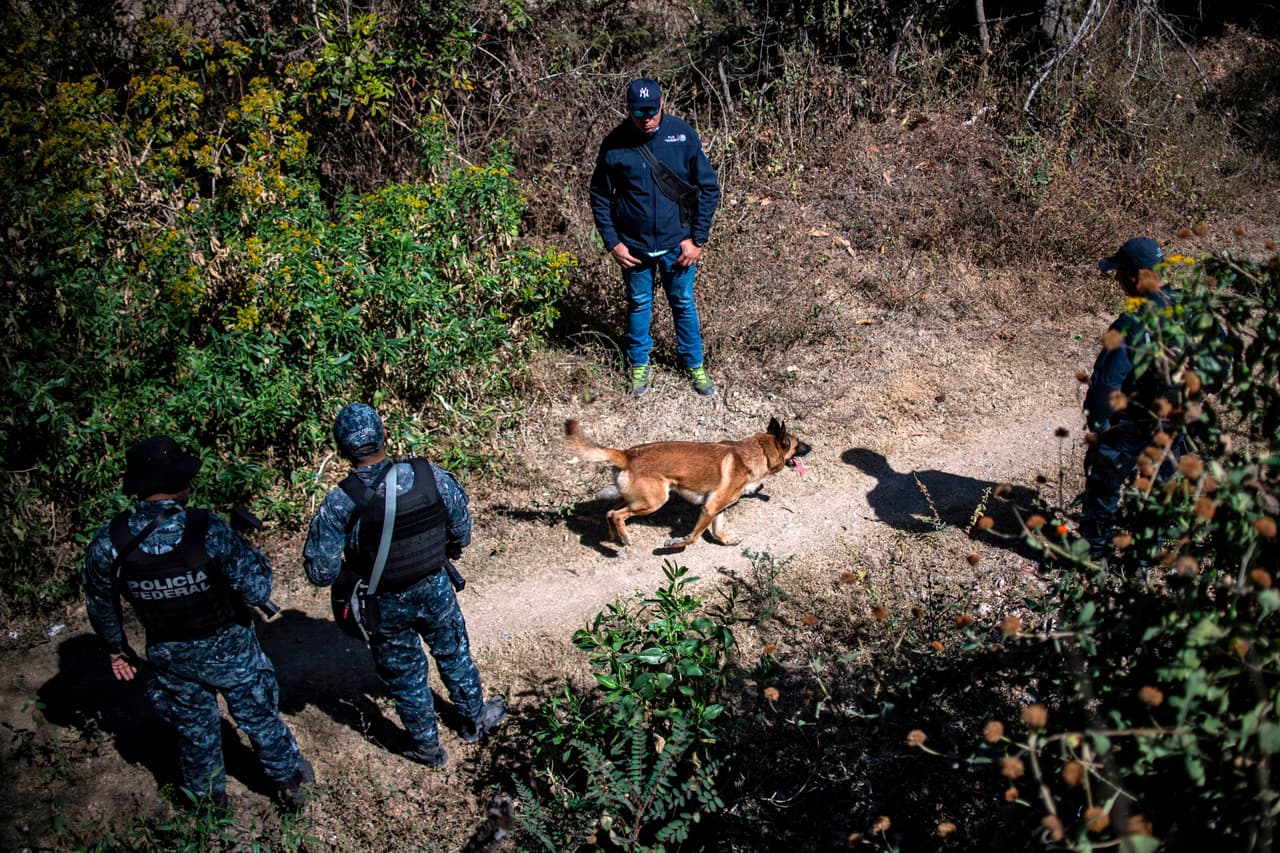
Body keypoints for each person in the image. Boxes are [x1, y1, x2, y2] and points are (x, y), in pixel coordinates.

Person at [81, 435, 313, 810]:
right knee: (260, 718)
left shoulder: (110, 542)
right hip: (232, 651)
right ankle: (288, 782)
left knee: (194, 731)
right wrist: (250, 550)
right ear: (180, 482)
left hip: (170, 656)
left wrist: (115, 647)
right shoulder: (209, 528)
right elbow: (256, 589)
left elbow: (101, 603)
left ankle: (209, 804)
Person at [303, 403, 505, 768]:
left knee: (406, 674)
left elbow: (320, 572)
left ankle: (427, 748)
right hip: (434, 587)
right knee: (454, 654)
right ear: (385, 436)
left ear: (342, 449)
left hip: (382, 602)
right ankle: (475, 719)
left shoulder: (339, 502)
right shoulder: (430, 476)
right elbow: (462, 531)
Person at [589, 77, 722, 398]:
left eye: (651, 109)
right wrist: (613, 243)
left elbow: (708, 188)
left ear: (662, 103)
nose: (646, 117)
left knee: (683, 303)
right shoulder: (615, 143)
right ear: (628, 110)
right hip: (633, 247)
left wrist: (697, 240)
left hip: (678, 244)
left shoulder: (683, 135)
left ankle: (694, 365)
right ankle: (638, 363)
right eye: (638, 112)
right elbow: (599, 195)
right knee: (638, 303)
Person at [1080, 236, 1180, 563]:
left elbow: (1106, 385)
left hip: (1130, 424)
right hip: (1173, 424)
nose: (1118, 280)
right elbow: (1220, 365)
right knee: (1159, 492)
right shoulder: (1190, 311)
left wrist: (1099, 425)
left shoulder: (1131, 324)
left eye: (1121, 273)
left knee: (1104, 485)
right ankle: (1143, 564)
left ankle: (1096, 557)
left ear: (1136, 277)